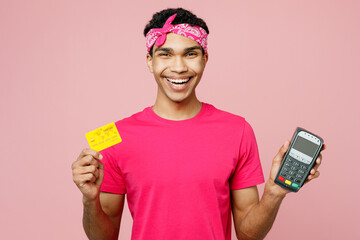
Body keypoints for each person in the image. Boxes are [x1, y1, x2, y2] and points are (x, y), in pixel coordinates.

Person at [72, 8, 325, 240]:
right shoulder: (117, 137)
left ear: (205, 59)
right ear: (150, 61)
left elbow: (248, 235)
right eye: (165, 54)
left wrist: (274, 192)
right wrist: (89, 201)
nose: (179, 67)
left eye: (190, 54)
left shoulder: (238, 131)